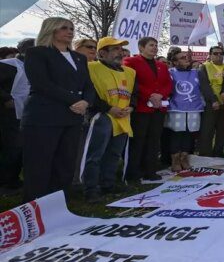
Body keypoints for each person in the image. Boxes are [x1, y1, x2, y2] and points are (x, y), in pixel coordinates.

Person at [21, 17, 95, 202]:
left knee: (65, 163)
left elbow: (88, 84)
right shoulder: (37, 53)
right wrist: (74, 100)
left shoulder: (79, 57)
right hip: (44, 117)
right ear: (51, 30)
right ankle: (35, 205)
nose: (70, 31)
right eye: (64, 28)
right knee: (40, 163)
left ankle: (59, 203)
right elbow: (42, 83)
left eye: (71, 28)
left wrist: (86, 101)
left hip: (72, 117)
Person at [81, 37, 135, 202]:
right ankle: (91, 188)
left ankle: (108, 184)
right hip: (101, 116)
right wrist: (108, 108)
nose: (120, 52)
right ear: (102, 53)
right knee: (95, 154)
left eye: (121, 49)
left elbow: (135, 93)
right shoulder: (91, 68)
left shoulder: (129, 72)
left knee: (114, 153)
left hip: (123, 118)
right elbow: (89, 92)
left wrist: (132, 106)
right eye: (115, 49)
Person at [123, 36, 173, 182]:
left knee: (154, 140)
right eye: (151, 45)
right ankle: (133, 173)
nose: (155, 48)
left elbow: (168, 84)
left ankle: (150, 171)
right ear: (141, 47)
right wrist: (149, 95)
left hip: (158, 109)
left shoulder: (162, 66)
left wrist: (160, 95)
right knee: (139, 140)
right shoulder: (131, 62)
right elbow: (133, 83)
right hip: (141, 108)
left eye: (156, 45)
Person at [0, 38, 34, 194]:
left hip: (28, 112)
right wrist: (6, 98)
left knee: (23, 148)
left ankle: (14, 180)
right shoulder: (8, 65)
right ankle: (6, 183)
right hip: (9, 114)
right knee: (12, 148)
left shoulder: (34, 67)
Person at [166, 49, 205, 172]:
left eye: (186, 56)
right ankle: (175, 160)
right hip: (177, 108)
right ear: (175, 62)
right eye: (182, 58)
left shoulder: (196, 72)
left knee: (189, 134)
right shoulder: (170, 72)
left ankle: (184, 158)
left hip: (194, 108)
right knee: (177, 134)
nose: (186, 59)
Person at [197, 45, 224, 157]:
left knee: (222, 130)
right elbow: (204, 85)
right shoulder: (204, 66)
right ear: (210, 55)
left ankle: (218, 152)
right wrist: (213, 100)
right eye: (215, 53)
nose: (219, 55)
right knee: (207, 130)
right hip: (210, 103)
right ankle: (205, 154)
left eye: (221, 53)